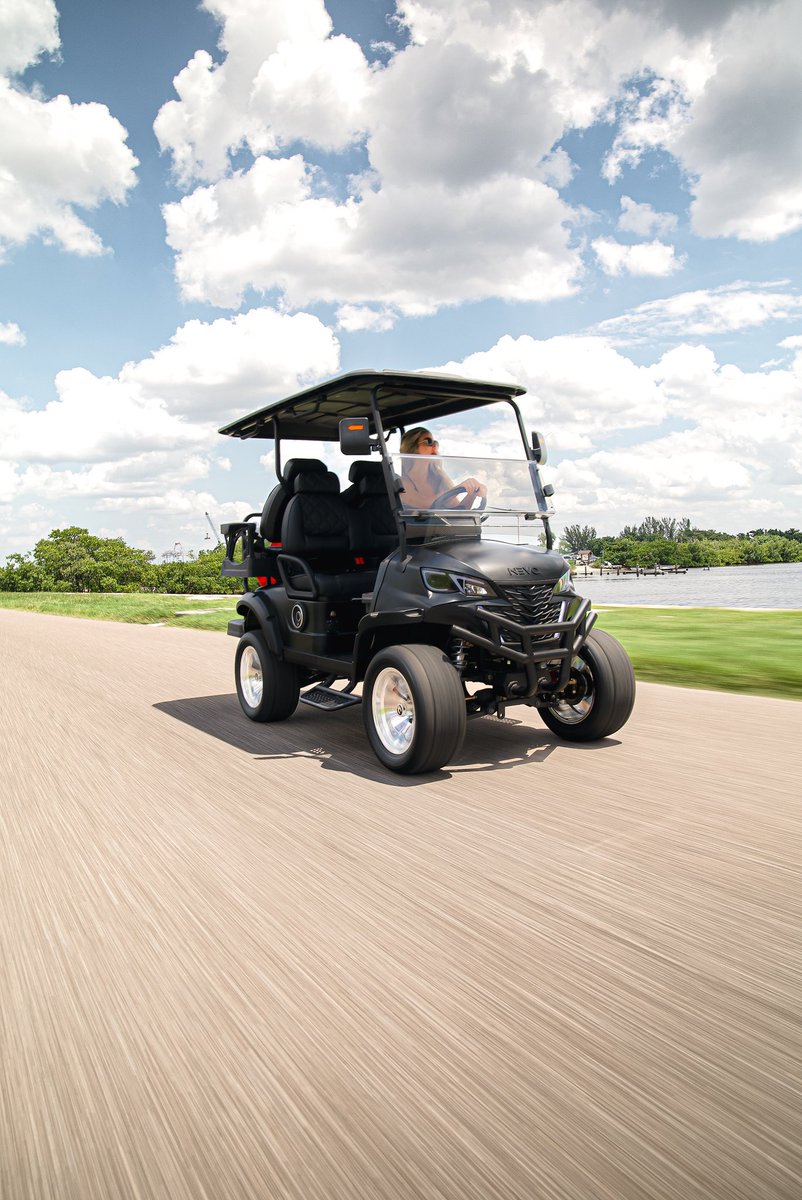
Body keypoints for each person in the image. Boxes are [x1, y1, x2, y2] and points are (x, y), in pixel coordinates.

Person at [399, 427, 486, 509]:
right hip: (417, 525)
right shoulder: (402, 483)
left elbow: (457, 511)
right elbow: (427, 505)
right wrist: (457, 488)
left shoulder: (440, 479)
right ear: (411, 447)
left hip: (441, 525)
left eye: (436, 443)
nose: (434, 446)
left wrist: (472, 493)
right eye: (428, 442)